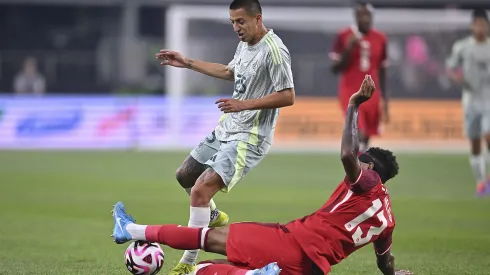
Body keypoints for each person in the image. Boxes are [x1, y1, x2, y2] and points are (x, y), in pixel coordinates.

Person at [112, 76, 412, 275]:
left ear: (371, 168)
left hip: (293, 242)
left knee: (208, 241)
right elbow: (384, 262)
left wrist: (352, 106)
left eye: (363, 162)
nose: (355, 164)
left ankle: (132, 230)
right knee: (209, 267)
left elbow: (348, 154)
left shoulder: (367, 182)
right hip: (310, 269)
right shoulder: (388, 220)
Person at [155, 0, 295, 273]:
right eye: (232, 22)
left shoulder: (275, 51)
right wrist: (188, 62)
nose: (236, 27)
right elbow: (231, 71)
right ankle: (213, 215)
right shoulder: (244, 44)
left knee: (200, 190)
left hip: (249, 137)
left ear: (258, 18)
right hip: (228, 127)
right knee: (185, 175)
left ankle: (187, 263)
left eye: (240, 21)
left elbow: (288, 95)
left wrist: (245, 104)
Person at [329, 1, 389, 153]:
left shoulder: (380, 38)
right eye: (362, 15)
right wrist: (348, 49)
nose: (365, 19)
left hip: (372, 94)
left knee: (366, 137)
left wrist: (385, 101)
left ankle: (361, 170)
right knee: (358, 132)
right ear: (355, 17)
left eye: (368, 15)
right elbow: (335, 68)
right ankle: (356, 172)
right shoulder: (344, 36)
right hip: (351, 93)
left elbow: (382, 71)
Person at [446, 9, 490, 196]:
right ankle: (481, 183)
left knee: (488, 135)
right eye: (477, 23)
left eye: (483, 23)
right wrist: (458, 77)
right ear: (472, 25)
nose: (480, 27)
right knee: (474, 143)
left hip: (488, 99)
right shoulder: (462, 47)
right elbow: (451, 68)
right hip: (470, 101)